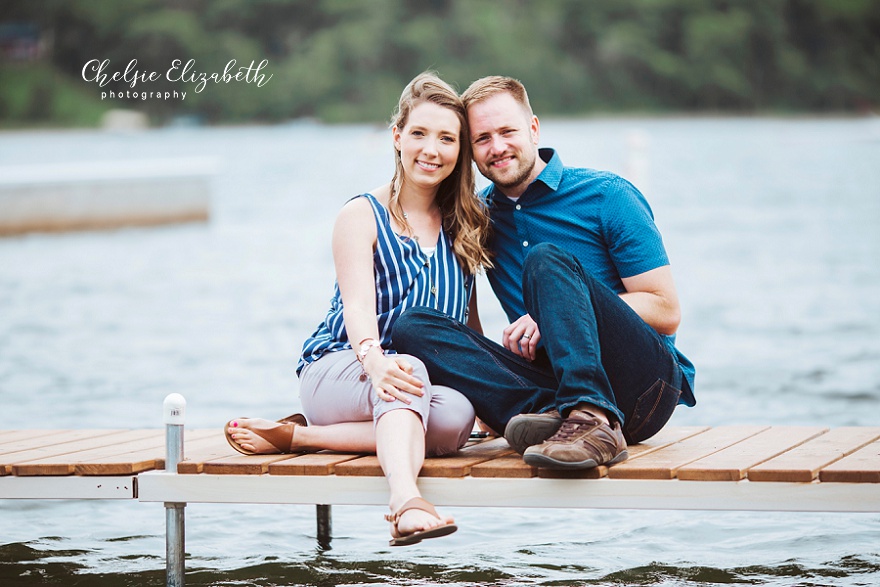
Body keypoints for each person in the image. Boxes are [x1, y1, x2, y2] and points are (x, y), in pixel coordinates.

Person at [225, 72, 492, 545]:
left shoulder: (464, 227)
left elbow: (468, 331)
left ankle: (301, 438)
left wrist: (495, 403)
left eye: (447, 138)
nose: (431, 149)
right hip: (341, 367)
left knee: (455, 418)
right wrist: (376, 361)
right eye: (419, 134)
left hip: (412, 386)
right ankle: (405, 501)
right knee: (405, 367)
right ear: (397, 137)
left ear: (460, 150)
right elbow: (358, 312)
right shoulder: (361, 215)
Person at [393, 76, 696, 470]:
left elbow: (666, 308)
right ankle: (548, 415)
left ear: (533, 128)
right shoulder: (477, 217)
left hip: (644, 388)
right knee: (413, 326)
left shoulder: (607, 195)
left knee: (546, 259)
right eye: (482, 138)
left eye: (507, 132)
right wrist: (480, 393)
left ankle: (592, 418)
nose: (497, 147)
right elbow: (468, 322)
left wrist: (555, 314)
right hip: (548, 389)